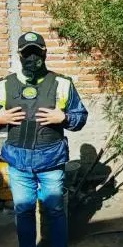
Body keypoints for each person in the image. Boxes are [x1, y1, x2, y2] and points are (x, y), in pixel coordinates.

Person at [0, 31, 88, 247]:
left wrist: (64, 117)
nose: (32, 57)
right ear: (19, 55)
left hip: (51, 162)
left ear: (45, 53)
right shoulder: (4, 85)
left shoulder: (62, 83)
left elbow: (81, 116)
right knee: (23, 211)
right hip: (18, 164)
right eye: (27, 53)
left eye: (37, 52)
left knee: (56, 210)